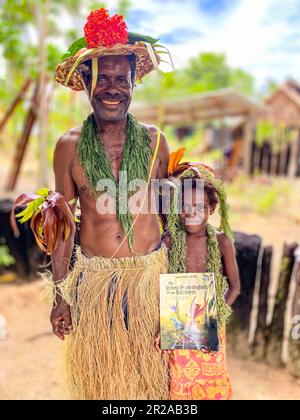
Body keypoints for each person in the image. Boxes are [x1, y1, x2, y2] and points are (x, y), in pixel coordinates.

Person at [13, 8, 172, 400]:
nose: (112, 88)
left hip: (149, 281)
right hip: (95, 283)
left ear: (135, 82)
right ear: (85, 82)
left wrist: (179, 306)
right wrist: (60, 295)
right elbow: (62, 225)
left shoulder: (155, 142)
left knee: (151, 386)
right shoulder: (68, 147)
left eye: (122, 79)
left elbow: (173, 224)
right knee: (99, 388)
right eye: (102, 79)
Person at [155, 148, 240, 400]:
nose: (191, 212)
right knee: (180, 385)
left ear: (212, 208)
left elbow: (234, 287)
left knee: (212, 379)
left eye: (200, 206)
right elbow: (162, 286)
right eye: (184, 206)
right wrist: (164, 326)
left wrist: (215, 319)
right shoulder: (169, 241)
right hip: (177, 327)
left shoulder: (222, 242)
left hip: (210, 327)